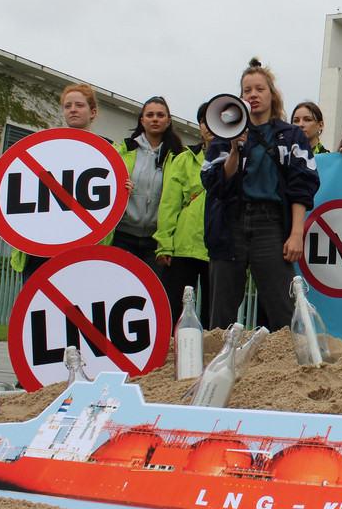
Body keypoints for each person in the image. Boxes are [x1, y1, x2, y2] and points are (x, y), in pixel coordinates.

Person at [201, 58, 320, 331]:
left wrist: (296, 234)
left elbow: (302, 185)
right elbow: (214, 184)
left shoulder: (291, 136)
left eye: (259, 89)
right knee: (222, 308)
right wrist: (233, 150)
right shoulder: (224, 135)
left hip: (271, 224)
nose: (253, 95)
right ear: (239, 97)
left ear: (272, 94)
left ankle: (288, 362)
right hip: (229, 225)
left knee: (283, 305)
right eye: (246, 90)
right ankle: (220, 362)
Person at [12, 83, 112, 283]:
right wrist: (6, 215)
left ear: (93, 112)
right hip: (42, 243)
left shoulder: (109, 151)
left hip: (83, 245)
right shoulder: (45, 147)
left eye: (79, 105)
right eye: (67, 106)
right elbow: (27, 187)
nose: (72, 109)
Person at [155, 101, 212, 326]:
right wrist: (164, 244)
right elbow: (169, 204)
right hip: (181, 246)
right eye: (203, 120)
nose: (208, 126)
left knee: (213, 316)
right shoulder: (184, 158)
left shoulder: (236, 159)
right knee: (174, 312)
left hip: (216, 249)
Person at [111, 96, 184, 273]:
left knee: (150, 296)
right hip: (123, 235)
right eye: (150, 115)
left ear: (168, 121)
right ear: (142, 121)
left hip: (156, 241)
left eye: (160, 115)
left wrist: (166, 242)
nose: (155, 119)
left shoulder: (178, 157)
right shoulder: (124, 150)